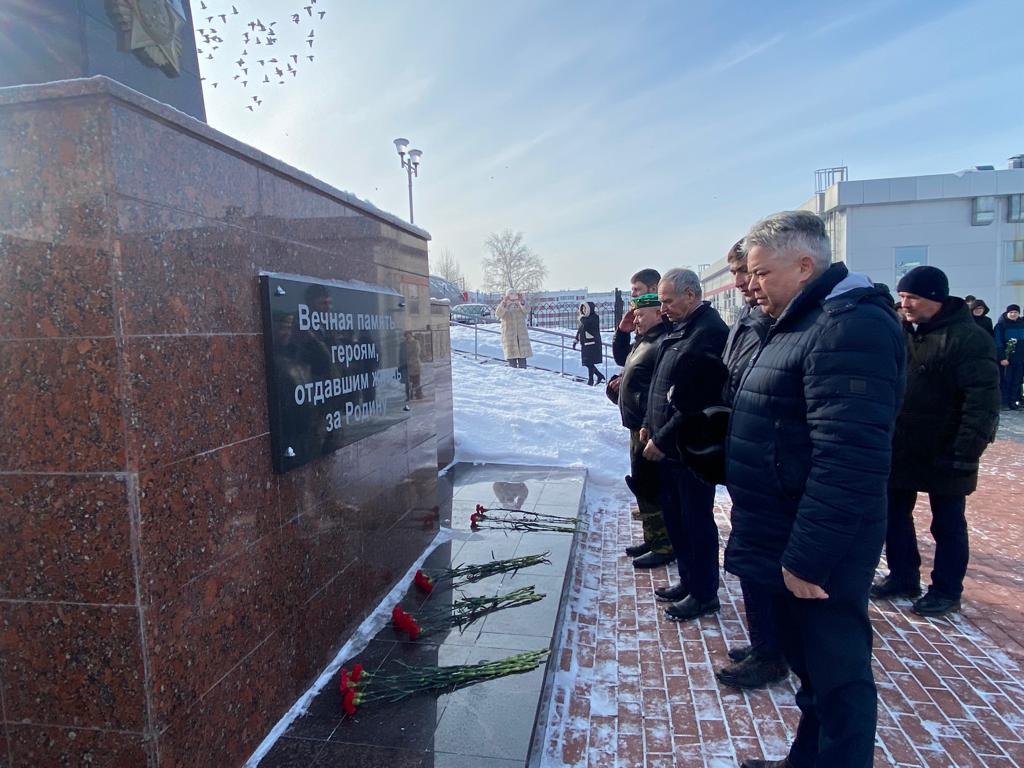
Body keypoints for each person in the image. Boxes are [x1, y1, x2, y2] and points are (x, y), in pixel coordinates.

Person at [725, 211, 905, 768]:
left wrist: (809, 557)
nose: (751, 285)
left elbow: (849, 458)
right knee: (810, 669)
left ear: (805, 266)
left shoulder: (849, 327)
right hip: (784, 526)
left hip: (819, 543)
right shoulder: (798, 321)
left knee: (837, 676)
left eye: (761, 273)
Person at [871, 266, 1000, 618]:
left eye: (912, 297)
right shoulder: (902, 332)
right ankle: (902, 577)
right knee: (894, 515)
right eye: (902, 296)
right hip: (903, 444)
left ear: (936, 298)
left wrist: (966, 451)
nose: (905, 304)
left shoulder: (969, 338)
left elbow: (982, 401)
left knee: (947, 523)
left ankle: (946, 589)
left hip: (948, 447)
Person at [711, 240, 786, 691]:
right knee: (754, 565)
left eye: (751, 273)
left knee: (766, 566)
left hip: (771, 467)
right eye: (740, 273)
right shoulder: (749, 318)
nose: (743, 282)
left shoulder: (780, 323)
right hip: (749, 463)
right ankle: (765, 644)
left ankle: (773, 653)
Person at [641, 268, 729, 622]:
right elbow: (661, 384)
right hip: (669, 445)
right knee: (677, 518)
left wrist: (662, 438)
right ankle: (689, 581)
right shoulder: (681, 328)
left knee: (695, 522)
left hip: (689, 448)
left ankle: (704, 593)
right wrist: (648, 424)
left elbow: (696, 398)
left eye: (667, 300)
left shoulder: (708, 333)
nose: (662, 308)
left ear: (691, 295)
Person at [608, 292, 675, 568]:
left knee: (653, 487)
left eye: (640, 314)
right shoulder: (644, 339)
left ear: (658, 313)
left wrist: (649, 421)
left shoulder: (662, 342)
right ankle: (652, 538)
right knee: (642, 485)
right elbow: (626, 364)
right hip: (637, 424)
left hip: (650, 427)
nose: (635, 319)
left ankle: (664, 544)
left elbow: (660, 389)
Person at [995, 304, 1024, 409]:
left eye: (1015, 312)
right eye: (1011, 312)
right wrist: (1002, 357)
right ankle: (1004, 402)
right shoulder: (1001, 325)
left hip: (1020, 358)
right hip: (1007, 359)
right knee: (1006, 380)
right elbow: (998, 342)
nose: (1013, 314)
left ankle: (1013, 401)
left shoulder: (1022, 324)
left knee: (1017, 381)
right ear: (1007, 313)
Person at [495, 290, 533, 368]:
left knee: (522, 359)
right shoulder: (504, 305)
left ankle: (523, 374)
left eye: (514, 294)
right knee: (512, 360)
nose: (513, 296)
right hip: (510, 337)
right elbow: (498, 314)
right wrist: (504, 303)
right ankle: (513, 373)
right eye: (511, 294)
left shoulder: (520, 304)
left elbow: (527, 310)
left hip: (521, 336)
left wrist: (522, 302)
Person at [573, 301, 605, 385]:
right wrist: (576, 341)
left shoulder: (594, 317)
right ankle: (599, 375)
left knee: (589, 362)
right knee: (587, 362)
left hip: (593, 344)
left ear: (589, 309)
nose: (583, 310)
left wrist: (582, 318)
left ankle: (591, 380)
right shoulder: (583, 319)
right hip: (585, 344)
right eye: (582, 308)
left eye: (585, 308)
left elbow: (588, 324)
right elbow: (580, 331)